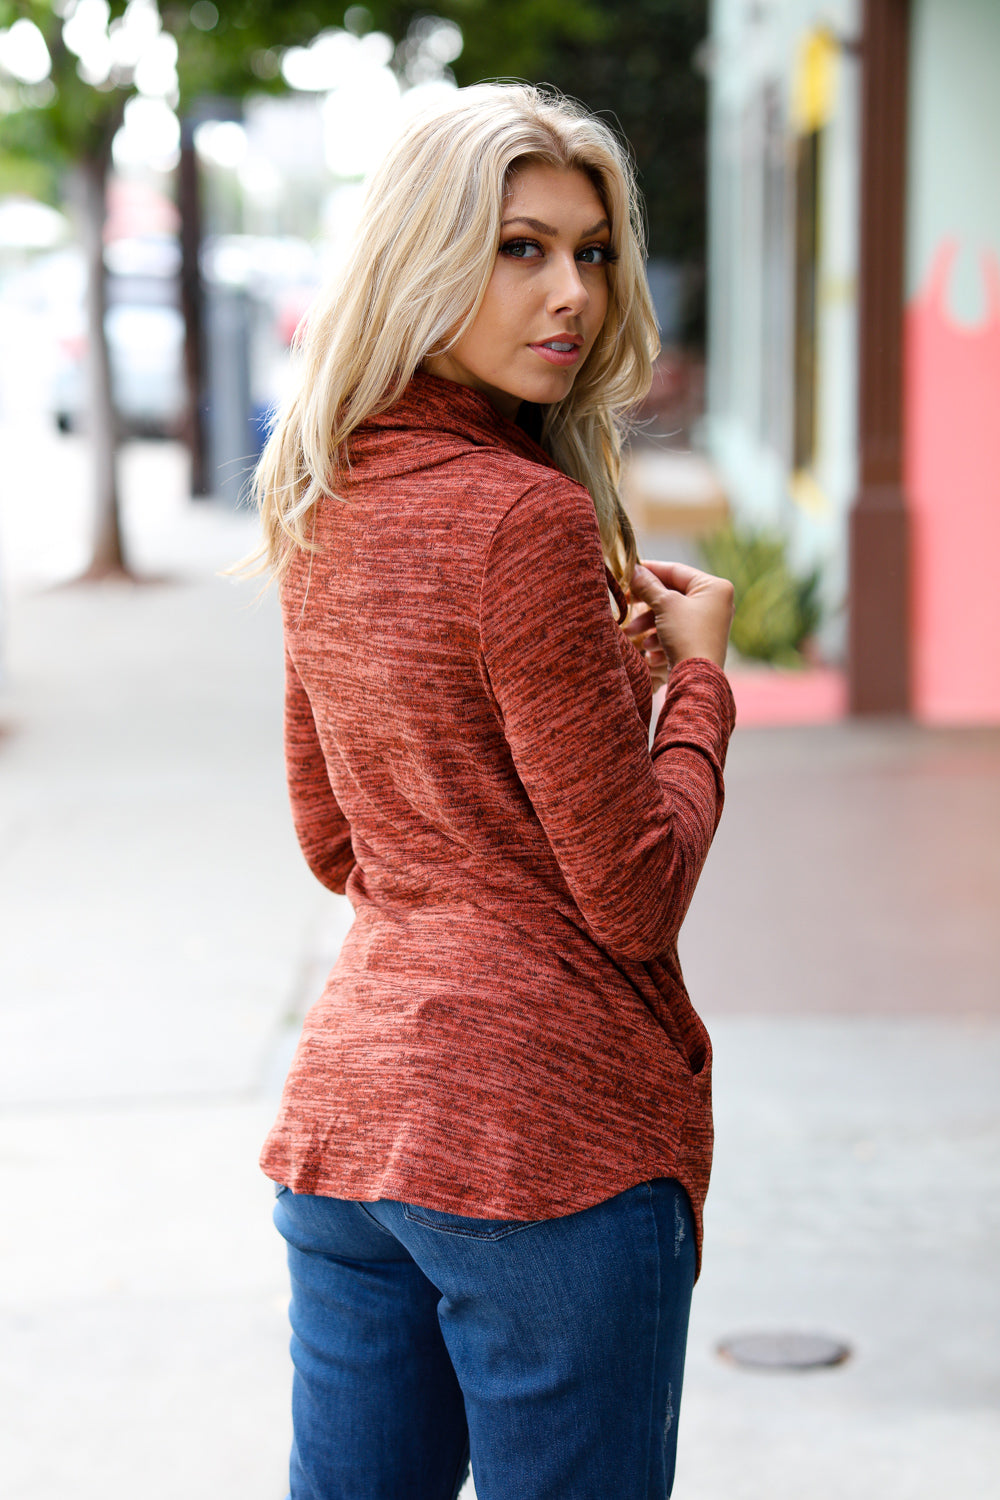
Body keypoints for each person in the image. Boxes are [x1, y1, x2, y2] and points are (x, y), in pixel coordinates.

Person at [249, 82, 736, 1500]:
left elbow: (334, 835)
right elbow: (633, 896)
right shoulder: (527, 517)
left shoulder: (320, 494)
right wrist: (699, 686)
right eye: (521, 248)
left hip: (351, 1135)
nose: (571, 292)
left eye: (592, 252)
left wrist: (578, 690)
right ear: (424, 254)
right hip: (544, 1152)